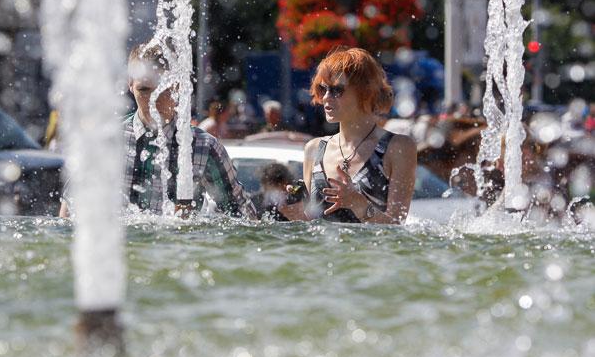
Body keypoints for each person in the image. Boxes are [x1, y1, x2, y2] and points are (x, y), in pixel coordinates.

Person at [60, 44, 256, 218]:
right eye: (145, 90)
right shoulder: (106, 142)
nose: (154, 101)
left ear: (178, 86)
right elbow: (70, 209)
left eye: (163, 90)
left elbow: (241, 218)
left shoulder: (204, 147)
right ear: (130, 84)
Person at [280, 47, 417, 224]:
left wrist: (359, 205)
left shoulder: (398, 147)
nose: (327, 98)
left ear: (366, 93)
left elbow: (397, 227)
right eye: (323, 89)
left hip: (372, 251)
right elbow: (313, 228)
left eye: (337, 90)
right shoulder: (314, 149)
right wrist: (297, 215)